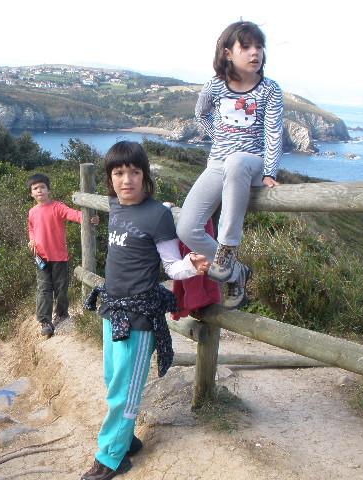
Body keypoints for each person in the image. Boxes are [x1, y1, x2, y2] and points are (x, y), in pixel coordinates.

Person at [81, 141, 209, 480]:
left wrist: (190, 265)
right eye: (119, 173)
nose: (127, 180)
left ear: (144, 175)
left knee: (125, 391)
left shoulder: (157, 215)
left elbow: (170, 266)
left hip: (139, 317)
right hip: (112, 310)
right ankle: (127, 440)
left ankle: (111, 457)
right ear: (110, 179)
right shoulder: (115, 206)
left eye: (134, 172)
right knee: (113, 381)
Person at [176, 20, 283, 310]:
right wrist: (219, 138)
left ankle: (227, 249)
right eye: (246, 46)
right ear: (227, 53)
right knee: (187, 228)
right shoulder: (215, 86)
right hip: (217, 162)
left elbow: (273, 133)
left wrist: (270, 171)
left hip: (252, 162)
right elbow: (201, 115)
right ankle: (237, 272)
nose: (255, 53)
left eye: (259, 47)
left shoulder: (270, 89)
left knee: (237, 160)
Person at [27, 173, 99, 338]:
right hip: (41, 258)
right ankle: (45, 321)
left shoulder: (57, 207)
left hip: (60, 257)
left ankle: (61, 313)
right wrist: (32, 240)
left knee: (61, 288)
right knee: (44, 289)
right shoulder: (32, 211)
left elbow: (75, 215)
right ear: (31, 193)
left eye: (42, 187)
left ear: (49, 189)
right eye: (35, 188)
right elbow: (32, 228)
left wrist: (92, 218)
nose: (39, 191)